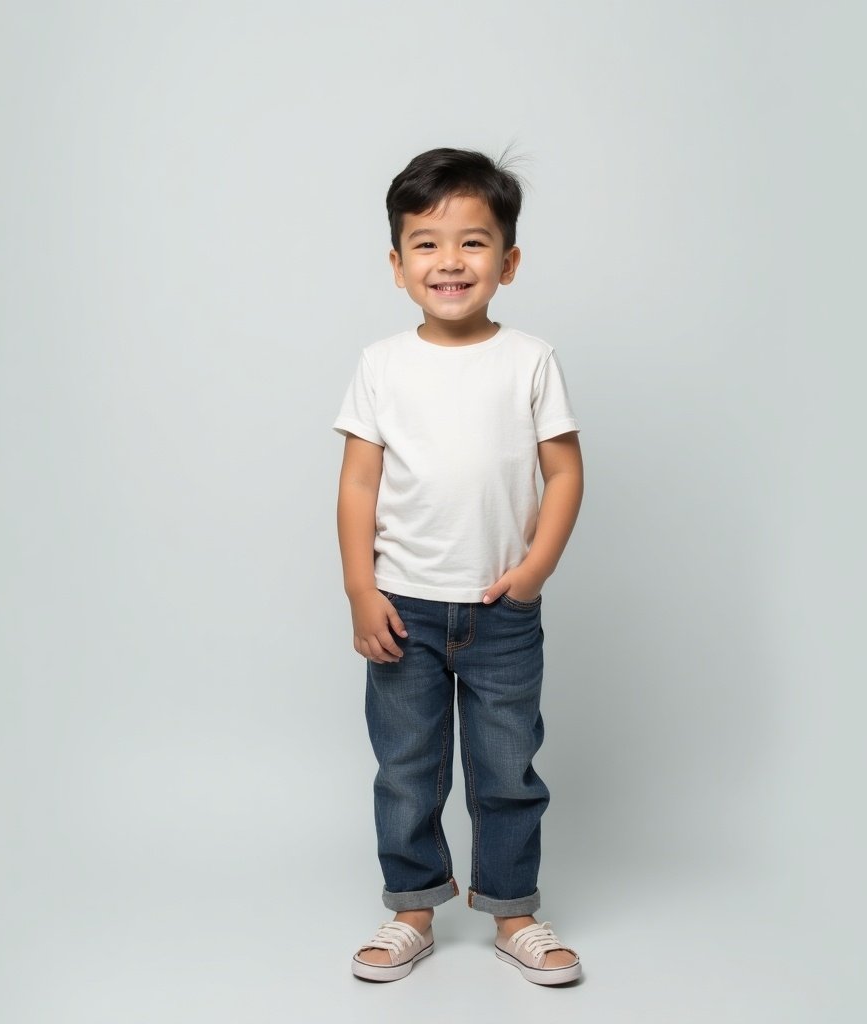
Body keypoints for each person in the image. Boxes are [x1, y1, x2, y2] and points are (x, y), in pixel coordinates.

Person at [333, 147, 584, 986]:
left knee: (507, 766)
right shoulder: (381, 364)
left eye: (473, 244)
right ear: (398, 264)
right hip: (404, 604)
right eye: (427, 244)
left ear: (507, 262)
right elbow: (357, 484)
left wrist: (536, 569)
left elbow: (566, 471)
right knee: (407, 766)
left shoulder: (530, 359)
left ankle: (515, 910)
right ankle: (412, 908)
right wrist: (361, 590)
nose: (450, 262)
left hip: (502, 606)